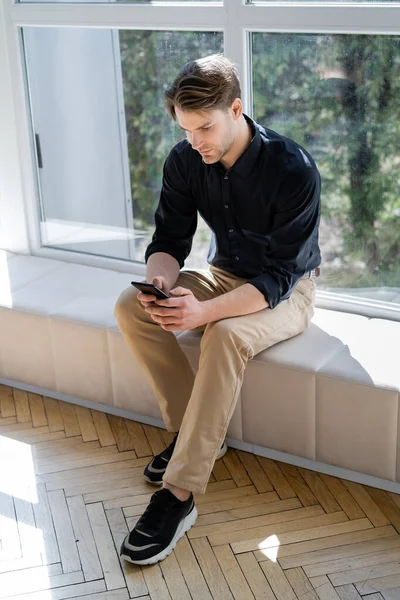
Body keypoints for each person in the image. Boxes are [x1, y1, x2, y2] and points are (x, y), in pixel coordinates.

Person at [115, 54, 321, 566]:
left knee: (225, 334)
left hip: (286, 290)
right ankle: (194, 437)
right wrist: (161, 282)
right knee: (130, 305)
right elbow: (169, 240)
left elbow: (278, 277)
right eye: (186, 130)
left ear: (236, 108)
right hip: (224, 272)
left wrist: (202, 315)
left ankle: (179, 495)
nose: (196, 141)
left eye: (205, 127)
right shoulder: (186, 159)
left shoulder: (292, 168)